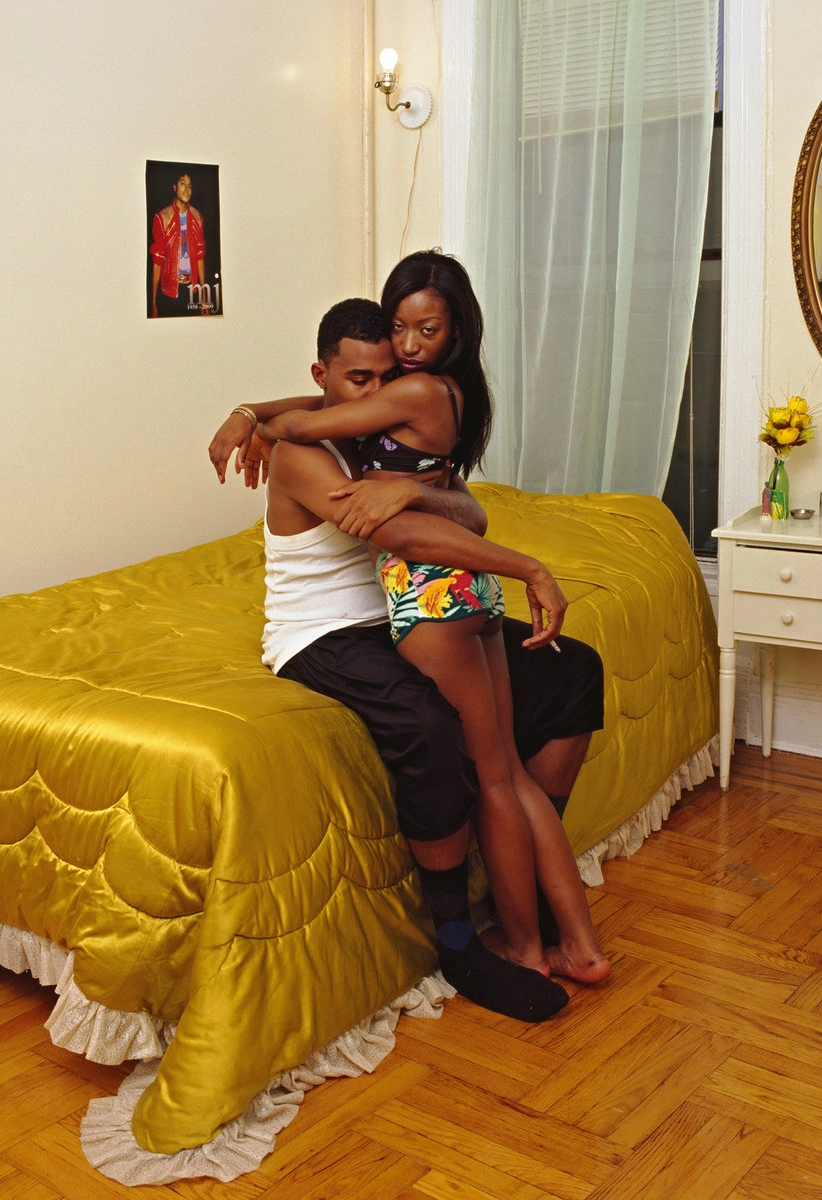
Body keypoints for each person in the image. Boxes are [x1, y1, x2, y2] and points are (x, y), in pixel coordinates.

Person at [209, 296, 605, 1022]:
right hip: (320, 635)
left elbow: (465, 511)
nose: (378, 393)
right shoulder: (302, 454)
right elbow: (406, 538)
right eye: (359, 380)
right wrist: (527, 567)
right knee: (430, 725)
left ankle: (518, 869)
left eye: (387, 379)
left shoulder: (379, 433)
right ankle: (456, 940)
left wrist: (253, 411)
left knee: (570, 670)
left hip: (394, 615)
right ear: (323, 377)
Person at [149, 171, 209, 318]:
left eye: (190, 185)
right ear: (175, 187)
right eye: (182, 184)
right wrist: (153, 303)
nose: (187, 189)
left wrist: (204, 298)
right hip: (169, 293)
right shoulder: (162, 218)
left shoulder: (197, 218)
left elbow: (200, 257)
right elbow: (157, 261)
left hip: (192, 291)